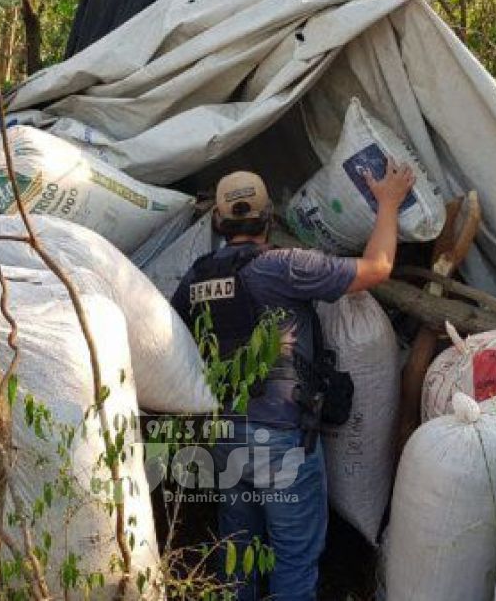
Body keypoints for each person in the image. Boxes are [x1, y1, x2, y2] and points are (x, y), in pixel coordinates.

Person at [170, 160, 415, 600]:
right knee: (294, 564)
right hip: (281, 437)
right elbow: (377, 266)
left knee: (237, 556)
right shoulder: (284, 266)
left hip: (224, 436)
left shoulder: (196, 278)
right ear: (268, 219)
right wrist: (389, 202)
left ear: (218, 221)